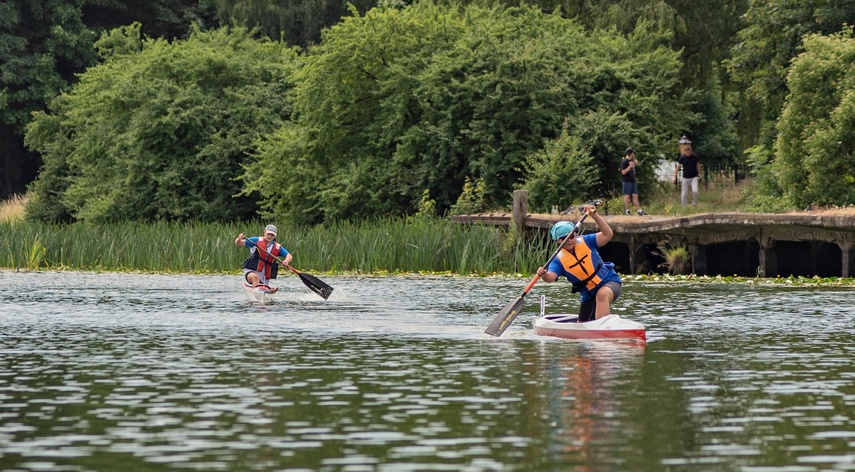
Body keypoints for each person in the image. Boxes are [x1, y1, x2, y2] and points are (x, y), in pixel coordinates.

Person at [536, 205, 623, 322]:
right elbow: (550, 278)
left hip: (609, 282)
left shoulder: (587, 241)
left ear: (575, 235)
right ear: (558, 241)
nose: (569, 240)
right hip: (588, 294)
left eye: (571, 236)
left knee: (602, 295)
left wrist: (594, 215)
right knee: (581, 323)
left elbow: (608, 234)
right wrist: (544, 274)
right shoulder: (557, 260)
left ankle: (603, 331)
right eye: (564, 238)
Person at [234, 224, 292, 293]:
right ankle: (258, 293)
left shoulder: (277, 247)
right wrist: (239, 238)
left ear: (275, 236)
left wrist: (286, 261)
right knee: (255, 278)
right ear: (264, 232)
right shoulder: (255, 240)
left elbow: (289, 256)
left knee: (263, 285)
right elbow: (239, 244)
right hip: (252, 270)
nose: (270, 236)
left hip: (265, 274)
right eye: (268, 234)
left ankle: (264, 291)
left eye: (272, 235)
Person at [619, 147, 647, 216]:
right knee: (627, 195)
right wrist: (630, 166)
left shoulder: (631, 160)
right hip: (627, 181)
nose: (634, 154)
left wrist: (635, 164)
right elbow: (623, 172)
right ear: (630, 153)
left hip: (632, 180)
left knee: (635, 195)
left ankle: (639, 210)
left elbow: (633, 166)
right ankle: (627, 210)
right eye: (633, 153)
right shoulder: (624, 162)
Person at [673, 139, 701, 207]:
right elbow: (678, 167)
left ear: (690, 151)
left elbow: (698, 165)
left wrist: (700, 174)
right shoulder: (682, 158)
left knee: (695, 191)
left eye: (689, 152)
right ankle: (683, 207)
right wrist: (674, 176)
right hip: (685, 177)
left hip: (694, 176)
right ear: (685, 152)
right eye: (686, 152)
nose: (688, 153)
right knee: (684, 193)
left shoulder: (694, 157)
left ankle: (695, 203)